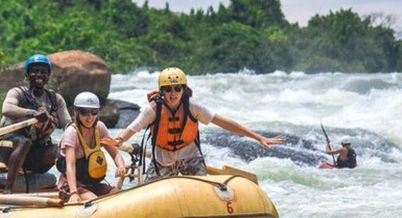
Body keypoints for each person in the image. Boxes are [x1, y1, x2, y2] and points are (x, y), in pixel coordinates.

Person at [102, 67, 285, 177]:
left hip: (190, 157)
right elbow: (131, 129)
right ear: (161, 92)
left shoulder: (193, 106)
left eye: (177, 88)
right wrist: (118, 141)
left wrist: (258, 137)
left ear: (184, 89)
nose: (173, 93)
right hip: (162, 160)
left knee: (203, 191)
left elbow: (224, 122)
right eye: (168, 89)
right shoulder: (154, 109)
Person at [0, 54, 71, 194]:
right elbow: (7, 109)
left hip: (36, 155)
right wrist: (32, 113)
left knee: (63, 149)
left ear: (48, 76)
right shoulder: (17, 92)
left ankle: (69, 187)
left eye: (43, 72)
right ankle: (8, 190)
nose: (39, 75)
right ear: (27, 74)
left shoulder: (56, 99)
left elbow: (68, 124)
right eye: (35, 71)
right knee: (24, 142)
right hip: (8, 147)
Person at [56, 92, 127, 202]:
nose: (90, 118)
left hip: (94, 184)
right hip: (73, 185)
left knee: (117, 195)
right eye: (84, 113)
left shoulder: (100, 128)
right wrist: (74, 192)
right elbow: (70, 165)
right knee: (94, 202)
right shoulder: (72, 133)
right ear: (77, 112)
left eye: (94, 112)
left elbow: (115, 153)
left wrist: (121, 166)